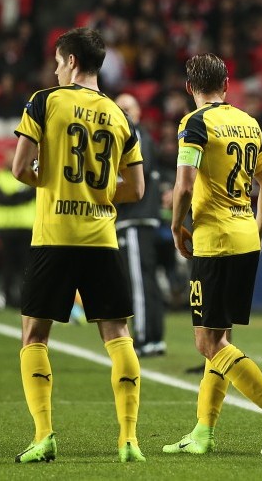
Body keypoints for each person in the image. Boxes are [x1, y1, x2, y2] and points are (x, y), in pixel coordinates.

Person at [11, 27, 147, 464]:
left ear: (69, 61)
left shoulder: (45, 100)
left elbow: (19, 169)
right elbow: (137, 188)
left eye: (56, 61)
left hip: (54, 235)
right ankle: (129, 440)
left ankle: (44, 436)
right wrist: (101, 192)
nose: (54, 68)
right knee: (118, 334)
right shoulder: (119, 114)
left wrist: (46, 178)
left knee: (34, 335)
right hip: (102, 237)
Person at [163, 53, 262, 456]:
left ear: (190, 88)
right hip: (245, 238)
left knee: (208, 343)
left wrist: (177, 226)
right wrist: (256, 230)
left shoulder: (194, 124)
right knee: (223, 339)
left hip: (214, 242)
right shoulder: (249, 122)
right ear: (227, 83)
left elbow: (186, 185)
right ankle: (203, 432)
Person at [114, 92, 167, 357]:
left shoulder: (132, 135)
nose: (122, 113)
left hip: (134, 218)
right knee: (147, 279)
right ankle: (155, 337)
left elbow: (136, 175)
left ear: (137, 112)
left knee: (138, 282)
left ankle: (144, 338)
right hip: (144, 218)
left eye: (127, 108)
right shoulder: (145, 136)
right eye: (119, 108)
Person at [0, 150, 35, 308]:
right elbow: (0, 198)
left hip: (26, 228)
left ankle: (26, 300)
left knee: (26, 266)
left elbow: (30, 194)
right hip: (7, 229)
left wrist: (11, 197)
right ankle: (9, 299)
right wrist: (18, 196)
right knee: (8, 266)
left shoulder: (29, 174)